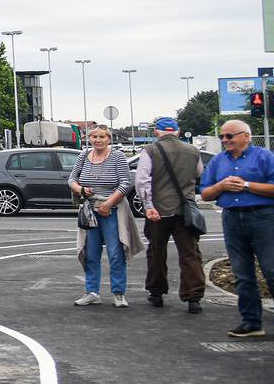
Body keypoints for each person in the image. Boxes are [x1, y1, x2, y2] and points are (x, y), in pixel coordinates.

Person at [198, 118, 274, 339]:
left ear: (246, 136)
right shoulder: (218, 161)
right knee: (242, 274)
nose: (224, 140)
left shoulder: (265, 157)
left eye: (229, 136)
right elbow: (204, 193)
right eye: (222, 136)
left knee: (271, 270)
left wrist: (247, 185)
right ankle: (252, 322)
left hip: (263, 218)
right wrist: (221, 186)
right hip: (231, 219)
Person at [135, 116, 203, 311]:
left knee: (156, 251)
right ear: (178, 131)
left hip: (159, 210)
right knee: (190, 254)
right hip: (185, 210)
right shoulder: (193, 151)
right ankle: (193, 297)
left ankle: (156, 292)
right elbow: (198, 173)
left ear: (157, 132)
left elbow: (142, 180)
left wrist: (148, 205)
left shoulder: (150, 150)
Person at [69, 125, 138, 306]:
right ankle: (92, 292)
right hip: (89, 211)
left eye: (102, 137)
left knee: (116, 253)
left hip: (112, 210)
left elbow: (125, 183)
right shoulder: (83, 156)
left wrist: (108, 204)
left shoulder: (117, 157)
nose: (98, 140)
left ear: (109, 139)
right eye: (94, 136)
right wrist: (80, 189)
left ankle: (118, 293)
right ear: (89, 138)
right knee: (91, 253)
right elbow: (72, 179)